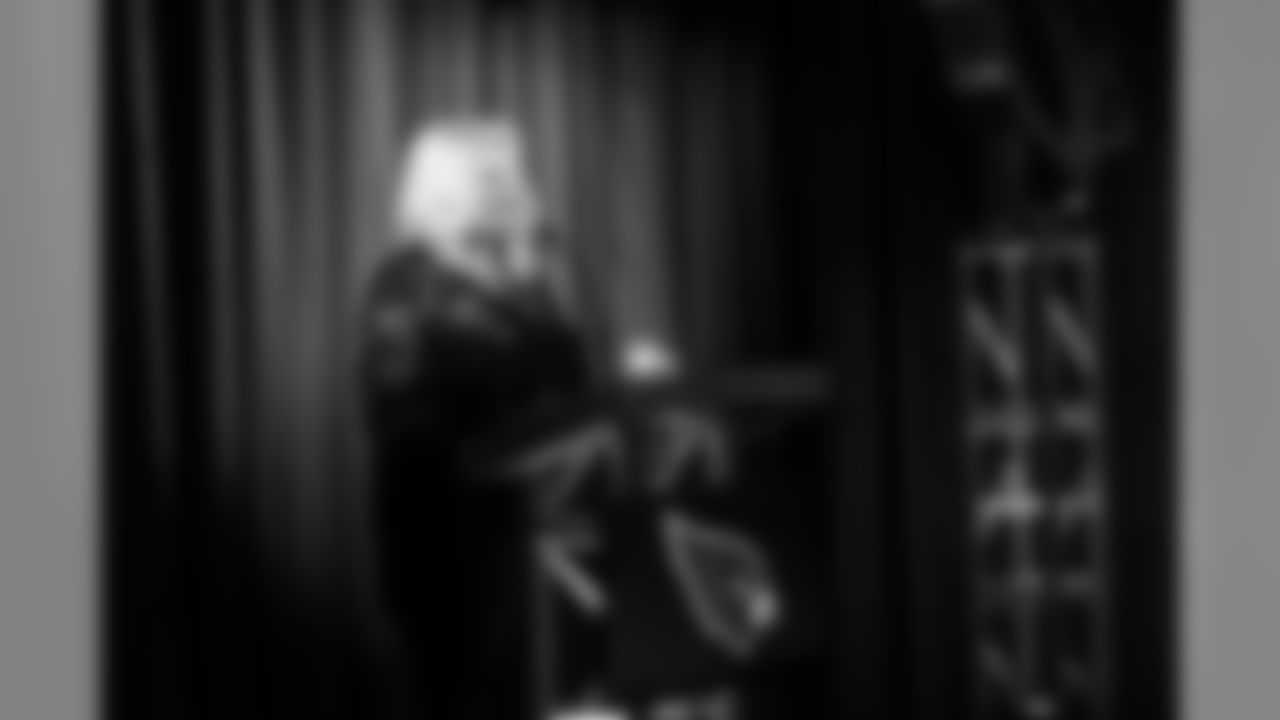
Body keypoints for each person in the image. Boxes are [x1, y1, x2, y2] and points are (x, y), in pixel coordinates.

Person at [362, 119, 592, 720]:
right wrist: (497, 429)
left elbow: (576, 381)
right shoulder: (407, 281)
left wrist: (531, 268)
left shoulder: (530, 281)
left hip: (543, 532)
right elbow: (397, 409)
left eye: (510, 174)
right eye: (489, 177)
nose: (509, 187)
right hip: (450, 539)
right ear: (443, 191)